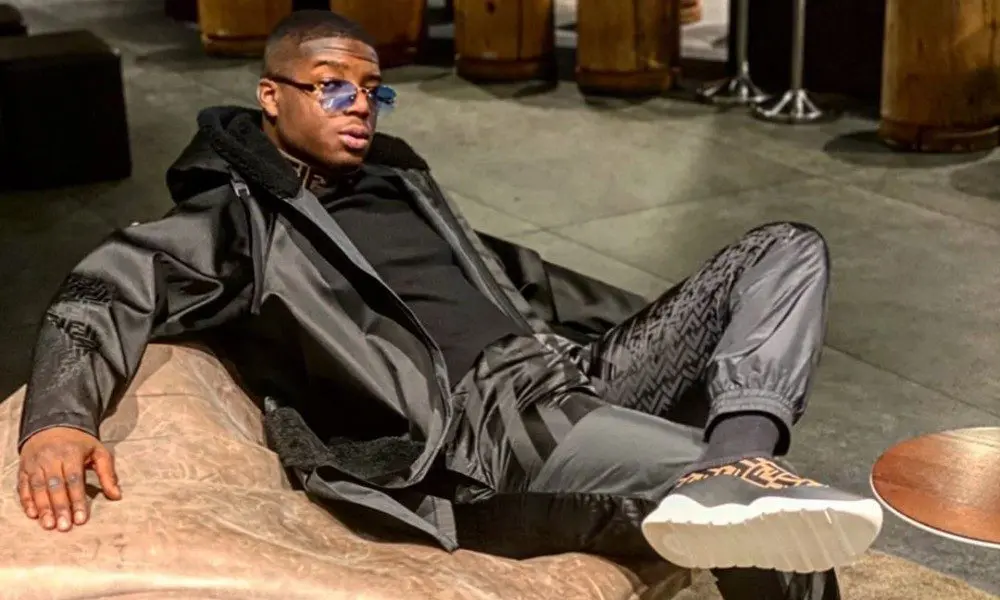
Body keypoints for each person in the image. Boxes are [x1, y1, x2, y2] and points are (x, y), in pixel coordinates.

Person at [14, 9, 881, 596]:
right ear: (271, 96)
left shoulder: (399, 182)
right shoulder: (237, 223)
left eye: (373, 89)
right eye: (333, 85)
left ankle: (735, 463)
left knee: (785, 246)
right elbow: (105, 288)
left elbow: (524, 278)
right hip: (480, 431)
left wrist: (691, 331)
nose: (361, 105)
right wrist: (59, 421)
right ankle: (730, 480)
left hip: (565, 372)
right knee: (783, 513)